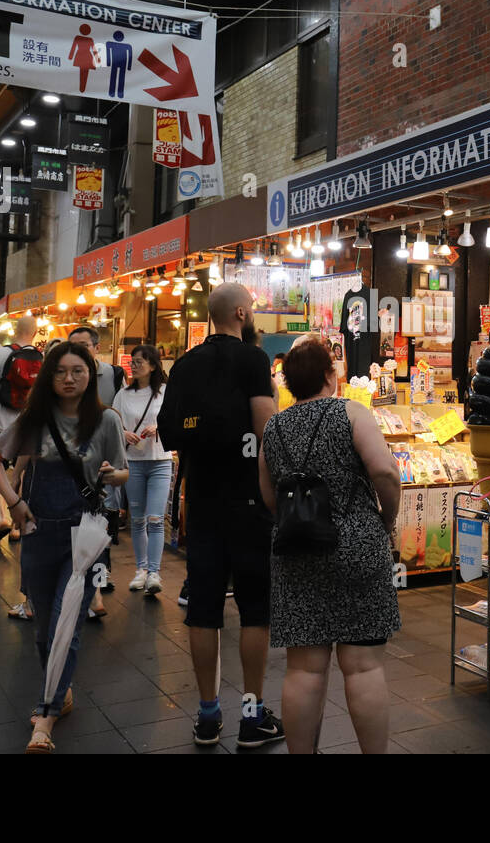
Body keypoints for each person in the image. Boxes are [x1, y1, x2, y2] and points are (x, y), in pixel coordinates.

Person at [0, 341, 128, 753]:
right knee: (45, 628)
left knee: (69, 619)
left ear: (90, 375)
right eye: (61, 371)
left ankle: (44, 718)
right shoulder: (35, 419)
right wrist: (14, 502)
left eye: (77, 371)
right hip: (39, 529)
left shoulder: (106, 421)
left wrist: (110, 474)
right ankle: (60, 691)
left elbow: (124, 473)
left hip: (86, 532)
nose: (69, 378)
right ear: (50, 376)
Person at [257, 338, 401, 754]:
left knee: (303, 668)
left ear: (288, 384)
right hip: (358, 544)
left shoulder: (275, 427)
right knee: (362, 666)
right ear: (328, 376)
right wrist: (384, 521)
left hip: (296, 551)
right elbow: (385, 472)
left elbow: (268, 493)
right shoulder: (350, 412)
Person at [158, 282, 284, 748]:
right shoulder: (253, 359)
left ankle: (208, 715)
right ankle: (251, 716)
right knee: (255, 609)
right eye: (250, 309)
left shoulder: (185, 364)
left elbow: (169, 434)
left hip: (202, 500)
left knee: (204, 610)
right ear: (239, 312)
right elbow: (266, 426)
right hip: (249, 501)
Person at [68, 326, 125, 599]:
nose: (78, 351)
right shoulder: (65, 377)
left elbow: (120, 410)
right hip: (71, 457)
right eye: (73, 345)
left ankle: (100, 579)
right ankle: (84, 576)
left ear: (96, 347)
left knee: (104, 516)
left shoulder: (113, 374)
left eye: (83, 345)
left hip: (104, 457)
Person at [112, 345, 172, 596]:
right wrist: (123, 432)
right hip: (133, 461)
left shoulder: (166, 393)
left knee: (156, 519)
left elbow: (173, 420)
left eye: (139, 362)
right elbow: (113, 421)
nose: (133, 366)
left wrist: (158, 427)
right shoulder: (123, 394)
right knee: (137, 519)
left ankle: (154, 573)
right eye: (132, 362)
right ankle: (141, 569)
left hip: (160, 460)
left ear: (153, 365)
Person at [0, 316, 40, 546]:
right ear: (35, 332)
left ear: (14, 330)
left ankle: (3, 516)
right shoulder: (40, 356)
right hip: (29, 422)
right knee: (20, 472)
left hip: (0, 422)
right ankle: (17, 527)